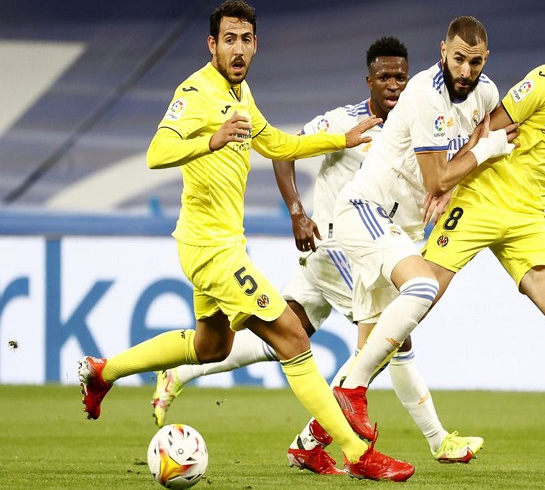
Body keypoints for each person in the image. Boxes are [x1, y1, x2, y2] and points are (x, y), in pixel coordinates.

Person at [76, 0, 414, 482]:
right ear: (211, 45)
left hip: (220, 244)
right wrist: (210, 140)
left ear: (256, 45)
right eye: (229, 40)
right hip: (210, 249)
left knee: (212, 346)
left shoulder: (241, 92)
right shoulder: (195, 92)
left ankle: (102, 372)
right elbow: (156, 152)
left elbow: (275, 143)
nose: (238, 49)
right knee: (293, 337)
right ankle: (357, 452)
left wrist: (341, 140)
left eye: (246, 40)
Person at [342, 7, 545, 470]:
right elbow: (487, 129)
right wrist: (451, 184)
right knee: (413, 306)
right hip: (478, 202)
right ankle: (332, 412)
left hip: (528, 222)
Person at [149, 36, 483, 475]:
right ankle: (433, 440)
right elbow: (284, 152)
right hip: (336, 249)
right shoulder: (343, 121)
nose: (394, 84)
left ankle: (182, 374)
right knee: (387, 341)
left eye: (401, 77)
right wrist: (297, 212)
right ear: (369, 81)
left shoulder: (419, 124)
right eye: (384, 76)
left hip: (365, 252)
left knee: (285, 338)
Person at [329, 16, 516, 440]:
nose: (465, 71)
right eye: (458, 59)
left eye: (475, 62)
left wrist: (456, 180)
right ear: (442, 52)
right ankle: (352, 388)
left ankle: (314, 444)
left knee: (386, 345)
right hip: (367, 210)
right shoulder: (424, 95)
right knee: (423, 287)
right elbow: (439, 177)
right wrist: (484, 152)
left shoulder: (486, 93)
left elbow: (465, 153)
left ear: (486, 59)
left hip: (401, 228)